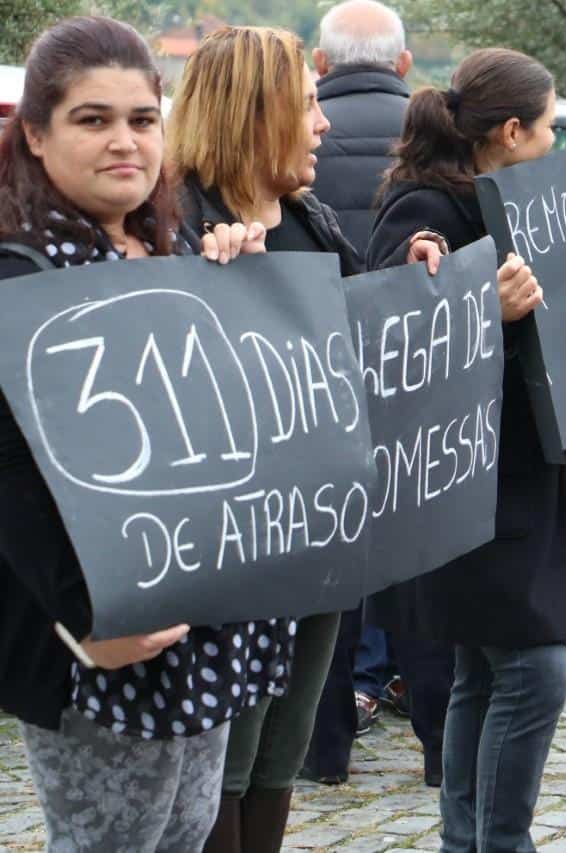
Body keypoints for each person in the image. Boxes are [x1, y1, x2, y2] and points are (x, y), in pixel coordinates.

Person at [0, 16, 278, 852]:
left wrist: (249, 289)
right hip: (101, 641)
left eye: (143, 119)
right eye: (93, 119)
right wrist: (85, 618)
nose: (125, 141)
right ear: (37, 134)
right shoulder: (20, 272)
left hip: (201, 624)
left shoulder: (179, 246)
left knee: (186, 835)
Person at [364, 48, 566, 853]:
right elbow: (391, 343)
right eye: (550, 128)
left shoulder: (512, 203)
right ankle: (499, 842)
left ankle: (468, 841)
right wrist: (482, 310)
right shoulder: (425, 209)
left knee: (485, 672)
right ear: (512, 131)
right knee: (535, 670)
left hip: (517, 477)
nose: (556, 145)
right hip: (467, 485)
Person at [165, 26, 364, 853]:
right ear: (255, 114)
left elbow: (371, 342)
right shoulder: (182, 225)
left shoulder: (312, 219)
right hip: (234, 546)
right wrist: (205, 283)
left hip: (315, 534)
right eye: (307, 105)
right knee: (228, 764)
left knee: (283, 750)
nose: (323, 124)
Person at [302, 0, 454, 790]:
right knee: (419, 567)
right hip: (415, 382)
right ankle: (440, 748)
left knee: (329, 570)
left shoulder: (297, 138)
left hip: (315, 386)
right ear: (402, 64)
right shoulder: (435, 138)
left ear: (319, 65)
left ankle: (324, 747)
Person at [310, 0, 412, 255]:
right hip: (415, 276)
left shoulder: (294, 129)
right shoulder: (439, 127)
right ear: (404, 63)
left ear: (320, 61)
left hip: (319, 277)